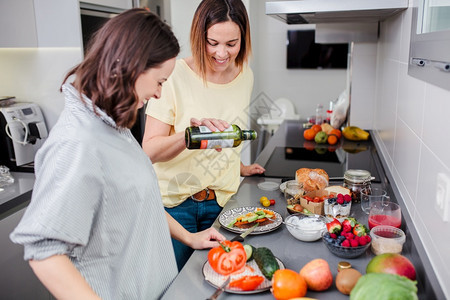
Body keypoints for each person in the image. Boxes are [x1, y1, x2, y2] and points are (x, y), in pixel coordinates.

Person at [9, 8, 225, 300]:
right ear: (131, 67)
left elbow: (137, 202)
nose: (160, 93)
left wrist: (190, 237)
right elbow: (44, 252)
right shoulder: (78, 143)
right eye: (160, 81)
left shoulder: (115, 127)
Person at [142, 0, 265, 270]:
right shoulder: (173, 75)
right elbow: (148, 152)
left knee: (223, 281)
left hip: (224, 203)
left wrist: (238, 166)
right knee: (179, 288)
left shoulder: (245, 75)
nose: (222, 53)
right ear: (200, 36)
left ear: (243, 39)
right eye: (213, 43)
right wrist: (190, 137)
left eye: (232, 44)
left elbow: (228, 133)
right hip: (176, 208)